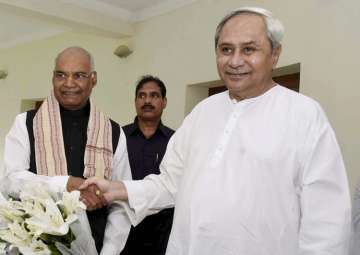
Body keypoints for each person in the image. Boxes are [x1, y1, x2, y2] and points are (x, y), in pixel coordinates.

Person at [81, 7, 351, 254]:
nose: (235, 61)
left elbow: (327, 221)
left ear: (275, 54)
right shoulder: (202, 111)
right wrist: (117, 189)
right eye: (225, 49)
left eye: (248, 49)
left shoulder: (304, 115)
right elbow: (170, 183)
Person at [2, 46, 131, 254]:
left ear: (93, 79)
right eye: (61, 75)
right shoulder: (25, 123)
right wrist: (66, 184)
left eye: (79, 75)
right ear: (53, 78)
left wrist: (109, 251)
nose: (69, 83)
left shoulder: (113, 132)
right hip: (34, 247)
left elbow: (121, 200)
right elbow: (10, 181)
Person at [121, 75, 175, 255]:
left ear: (164, 102)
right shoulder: (119, 137)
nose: (147, 101)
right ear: (135, 101)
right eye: (142, 96)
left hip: (163, 233)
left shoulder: (175, 140)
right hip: (123, 229)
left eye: (154, 95)